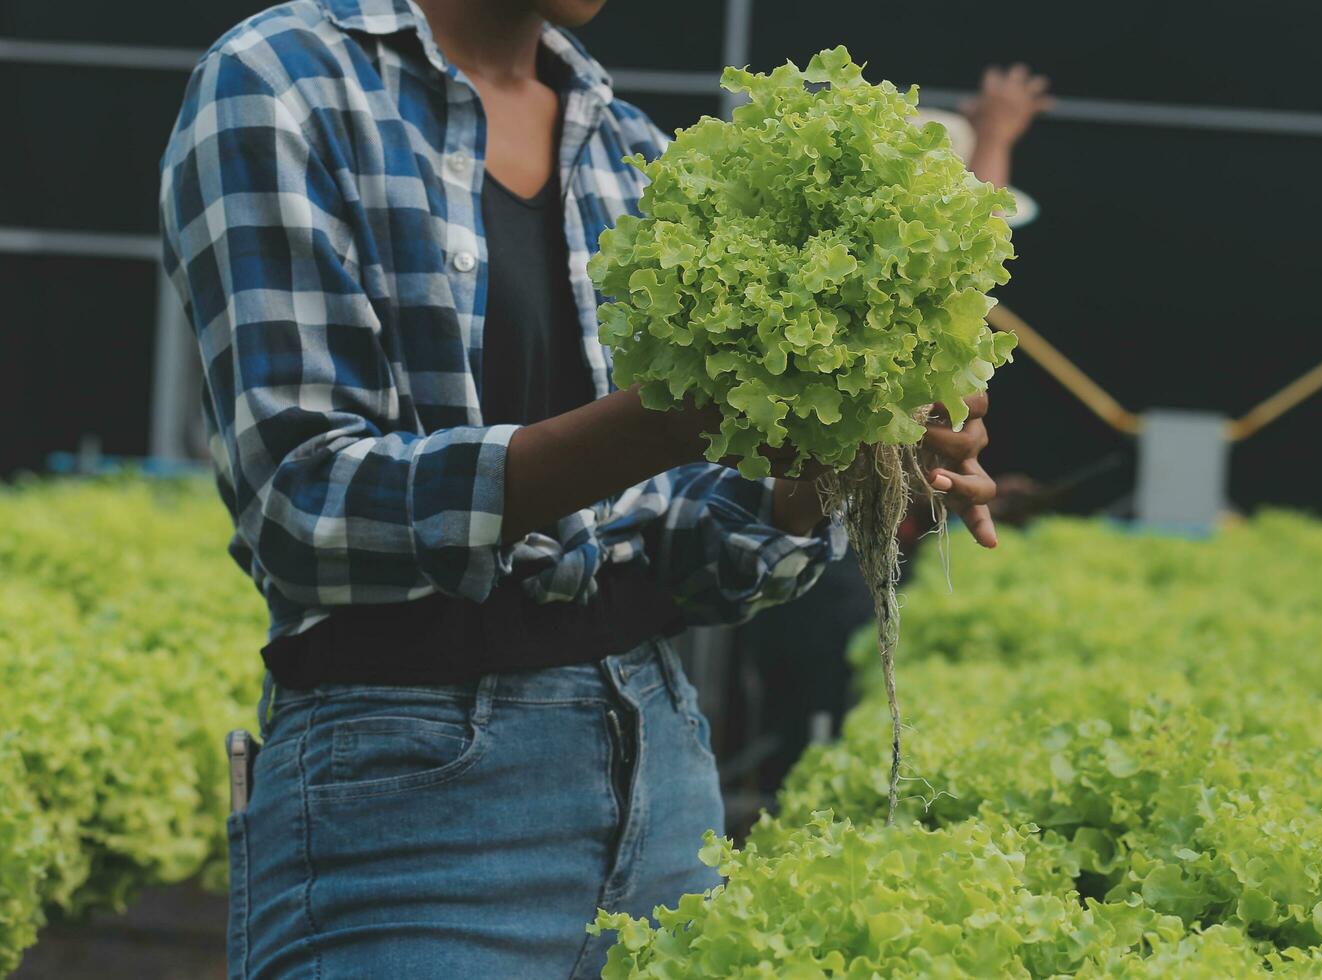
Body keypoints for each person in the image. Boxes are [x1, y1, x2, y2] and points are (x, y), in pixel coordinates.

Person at [157, 1, 999, 976]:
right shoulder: (285, 81)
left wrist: (843, 459)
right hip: (410, 805)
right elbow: (307, 502)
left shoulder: (622, 139)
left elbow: (671, 538)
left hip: (664, 777)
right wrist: (681, 410)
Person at [740, 62, 1050, 798]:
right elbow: (976, 228)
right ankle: (789, 805)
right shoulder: (863, 309)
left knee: (821, 717)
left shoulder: (897, 317)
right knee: (816, 720)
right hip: (817, 558)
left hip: (829, 555)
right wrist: (999, 134)